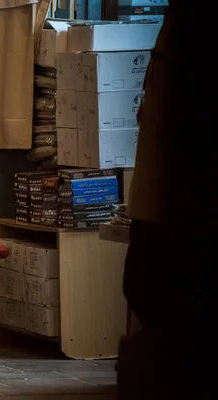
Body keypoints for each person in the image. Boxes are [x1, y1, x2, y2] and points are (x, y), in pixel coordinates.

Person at [118, 1, 213, 398]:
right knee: (144, 284)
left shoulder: (193, 34)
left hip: (177, 206)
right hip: (161, 203)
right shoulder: (179, 30)